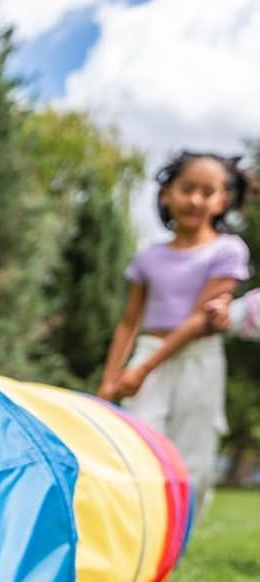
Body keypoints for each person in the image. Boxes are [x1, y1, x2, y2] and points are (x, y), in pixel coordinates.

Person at [97, 151, 251, 506]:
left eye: (208, 192)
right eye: (187, 189)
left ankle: (176, 546)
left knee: (192, 456)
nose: (195, 199)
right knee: (135, 444)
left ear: (222, 201)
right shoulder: (147, 257)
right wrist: (110, 379)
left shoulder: (228, 251)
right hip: (148, 352)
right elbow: (129, 321)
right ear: (166, 194)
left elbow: (200, 321)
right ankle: (140, 532)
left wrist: (141, 371)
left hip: (198, 358)